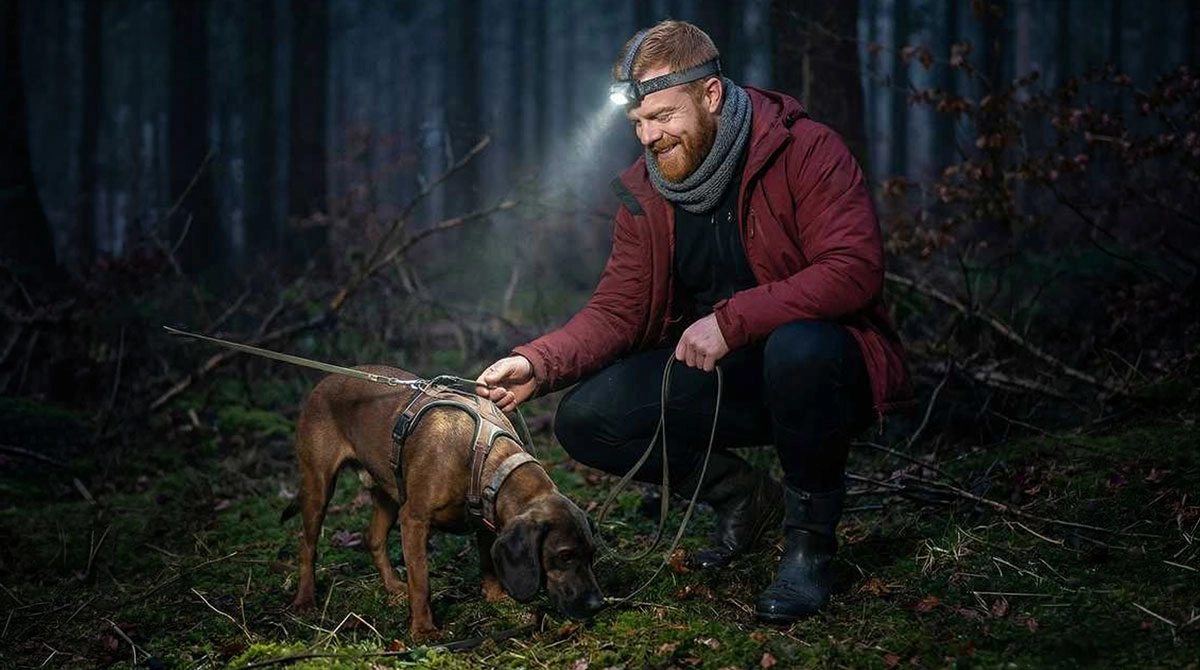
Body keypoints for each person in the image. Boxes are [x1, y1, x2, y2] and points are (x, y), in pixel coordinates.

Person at [475, 20, 911, 624]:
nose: (649, 137)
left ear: (710, 95)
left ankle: (810, 547)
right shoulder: (646, 192)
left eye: (662, 116)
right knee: (585, 418)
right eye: (637, 124)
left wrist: (732, 321)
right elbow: (618, 311)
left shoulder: (806, 149)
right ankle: (743, 498)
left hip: (825, 372)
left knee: (800, 347)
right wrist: (536, 362)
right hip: (727, 377)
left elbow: (854, 268)